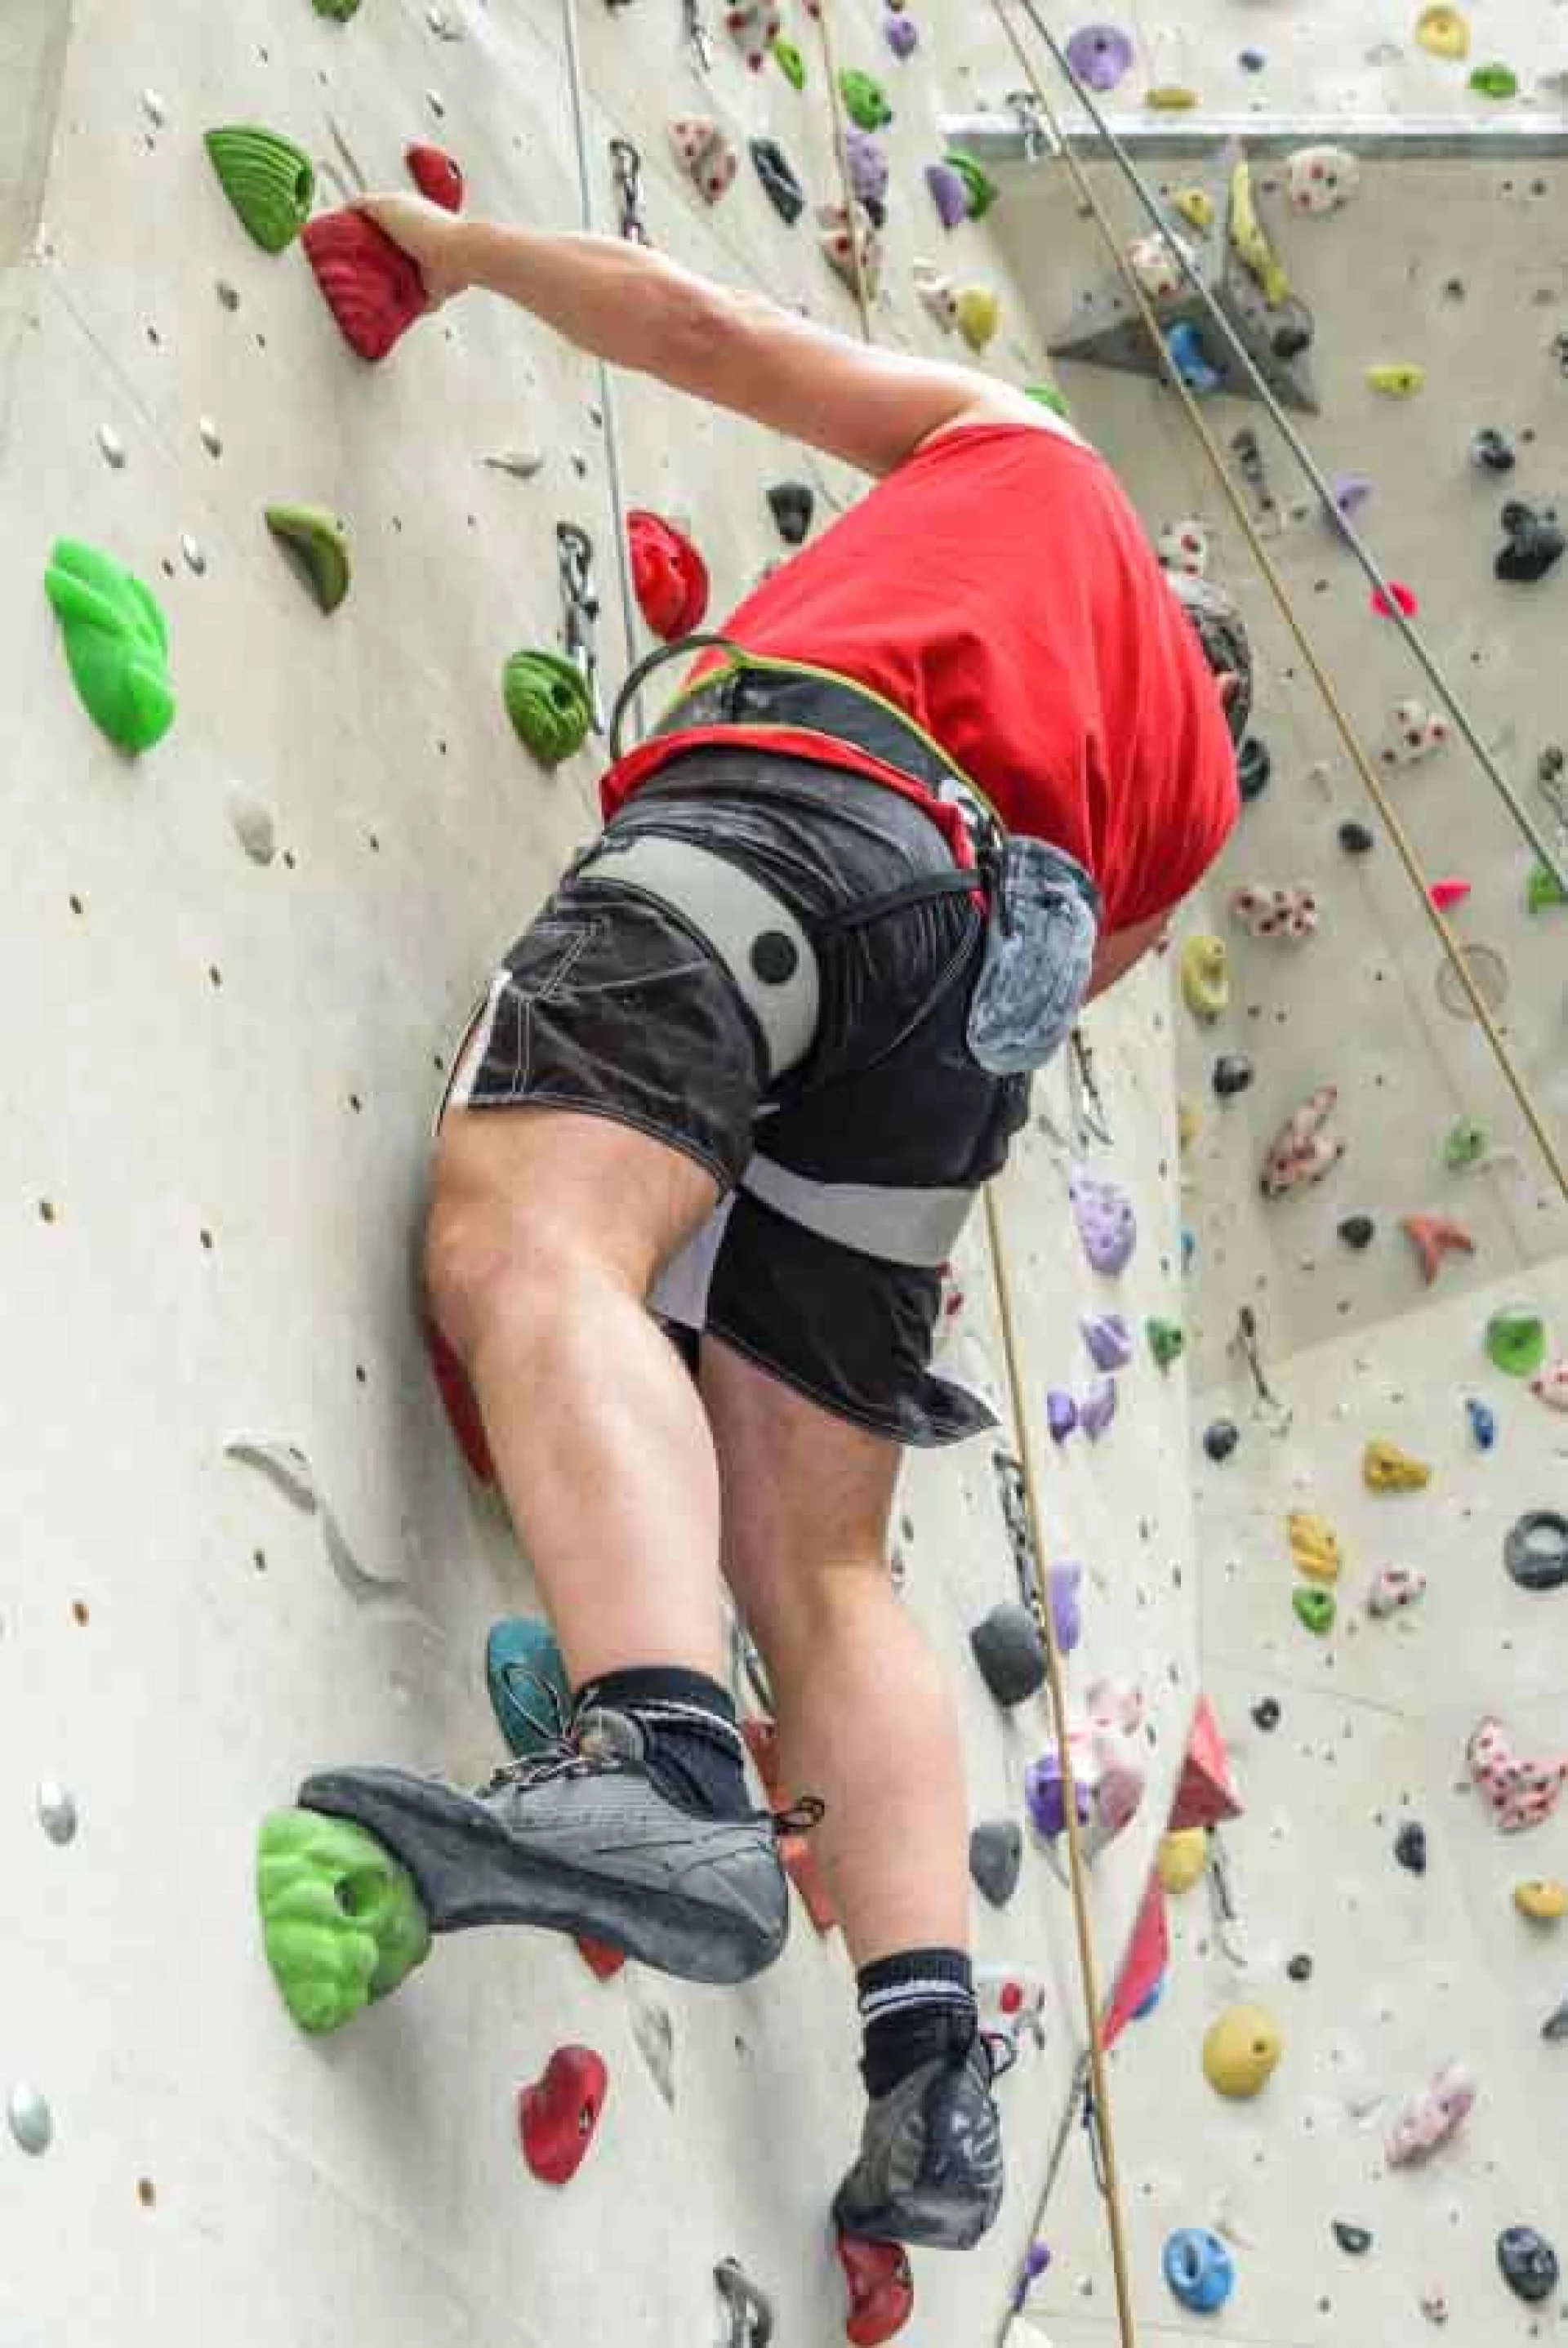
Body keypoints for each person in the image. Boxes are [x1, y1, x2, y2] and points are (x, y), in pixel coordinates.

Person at [296, 194, 1249, 2253]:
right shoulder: (1190, 794)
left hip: (809, 812)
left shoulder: (1032, 457)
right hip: (970, 1010)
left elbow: (705, 328)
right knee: (821, 1557)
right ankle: (925, 2058)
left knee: (532, 1238)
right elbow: (1067, 982)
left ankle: (656, 1756)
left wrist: (455, 254)